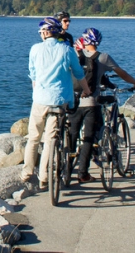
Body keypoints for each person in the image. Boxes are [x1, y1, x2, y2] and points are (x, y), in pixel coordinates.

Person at [21, 17, 92, 188]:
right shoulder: (67, 50)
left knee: (34, 137)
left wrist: (36, 90)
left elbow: (33, 75)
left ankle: (27, 172)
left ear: (45, 33)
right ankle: (44, 176)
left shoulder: (35, 49)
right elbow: (79, 73)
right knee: (50, 138)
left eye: (41, 32)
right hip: (59, 99)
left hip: (40, 99)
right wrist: (87, 90)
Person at [68, 28, 135, 183]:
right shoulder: (103, 58)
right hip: (91, 102)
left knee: (72, 135)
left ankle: (65, 171)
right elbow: (122, 73)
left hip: (73, 101)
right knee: (89, 138)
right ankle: (82, 173)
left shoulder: (74, 55)